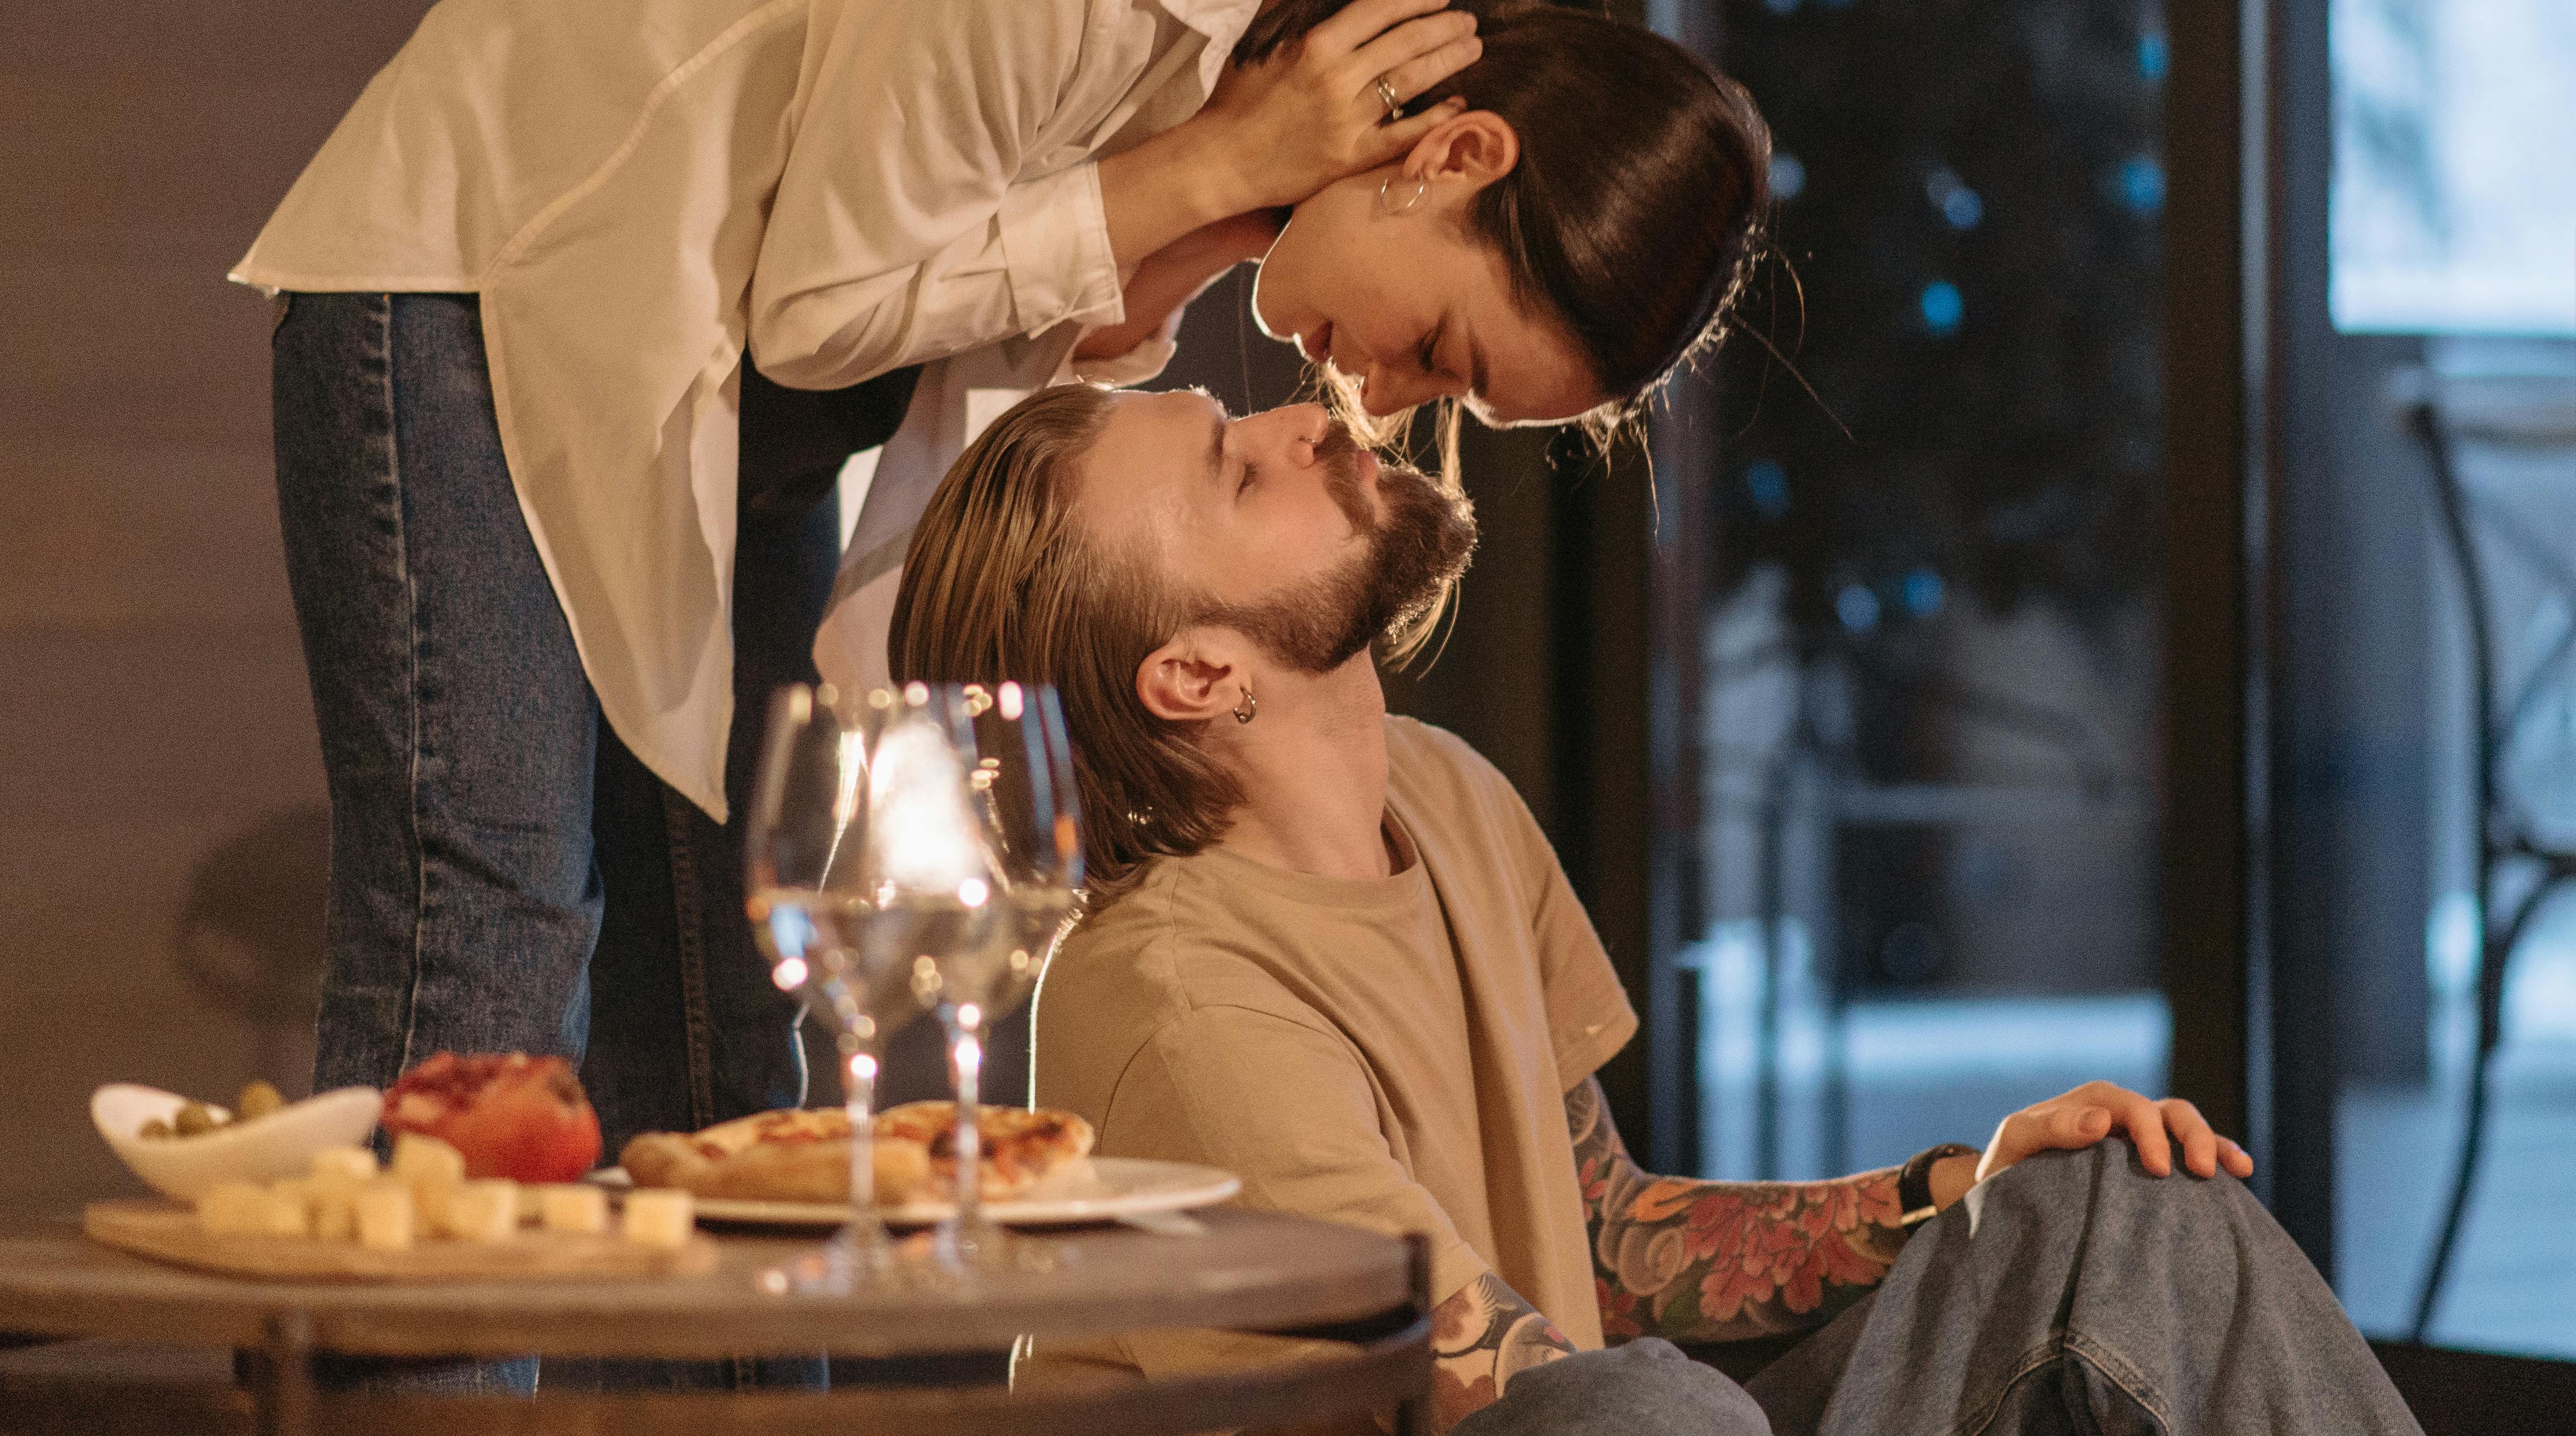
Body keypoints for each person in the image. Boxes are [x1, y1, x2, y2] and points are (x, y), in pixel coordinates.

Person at [232, 0, 1769, 1155]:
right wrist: (1208, 167)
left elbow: (951, 353)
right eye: (1439, 355)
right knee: (491, 948)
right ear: (1456, 155)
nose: (1386, 402)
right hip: (494, 269)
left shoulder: (1275, 70)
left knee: (721, 1026)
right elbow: (824, 310)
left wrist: (1198, 206)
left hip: (709, 380)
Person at [888, 385, 2423, 1435]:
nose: (1304, 417)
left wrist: (1953, 1187)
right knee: (1635, 1411)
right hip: (1532, 1426)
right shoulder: (1173, 996)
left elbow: (1609, 1237)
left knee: (2117, 1208)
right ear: (1198, 676)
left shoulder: (1441, 793)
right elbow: (1485, 1375)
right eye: (1235, 467)